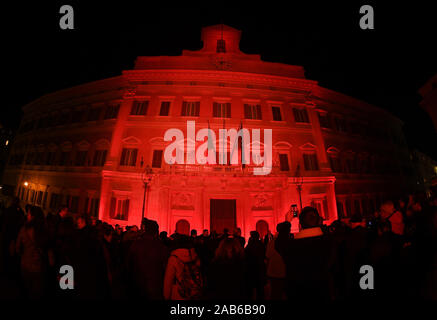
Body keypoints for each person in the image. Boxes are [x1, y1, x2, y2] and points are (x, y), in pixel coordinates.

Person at [275, 206, 336, 300]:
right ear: (319, 221)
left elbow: (279, 243)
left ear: (300, 224)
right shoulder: (328, 242)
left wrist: (287, 223)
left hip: (298, 292)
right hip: (321, 291)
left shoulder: (292, 246)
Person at [127, 219, 169, 299]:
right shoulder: (162, 248)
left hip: (136, 287)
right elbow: (165, 269)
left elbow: (129, 266)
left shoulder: (135, 244)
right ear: (156, 231)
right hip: (154, 289)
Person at [15, 206, 49, 298]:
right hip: (39, 266)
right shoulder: (45, 230)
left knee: (26, 290)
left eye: (29, 214)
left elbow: (17, 248)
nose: (27, 215)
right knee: (37, 293)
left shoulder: (24, 230)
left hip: (26, 264)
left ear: (33, 216)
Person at [163, 236, 202, 300]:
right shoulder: (195, 255)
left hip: (179, 293)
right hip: (194, 291)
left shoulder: (174, 258)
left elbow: (168, 280)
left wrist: (166, 296)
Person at [265, 223, 288, 300]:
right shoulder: (292, 241)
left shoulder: (272, 243)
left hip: (274, 272)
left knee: (275, 294)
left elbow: (268, 255)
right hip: (288, 272)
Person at [244, 231, 266, 300]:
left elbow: (246, 254)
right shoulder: (261, 244)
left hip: (251, 268)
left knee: (250, 287)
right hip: (260, 267)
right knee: (260, 288)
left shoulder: (250, 245)